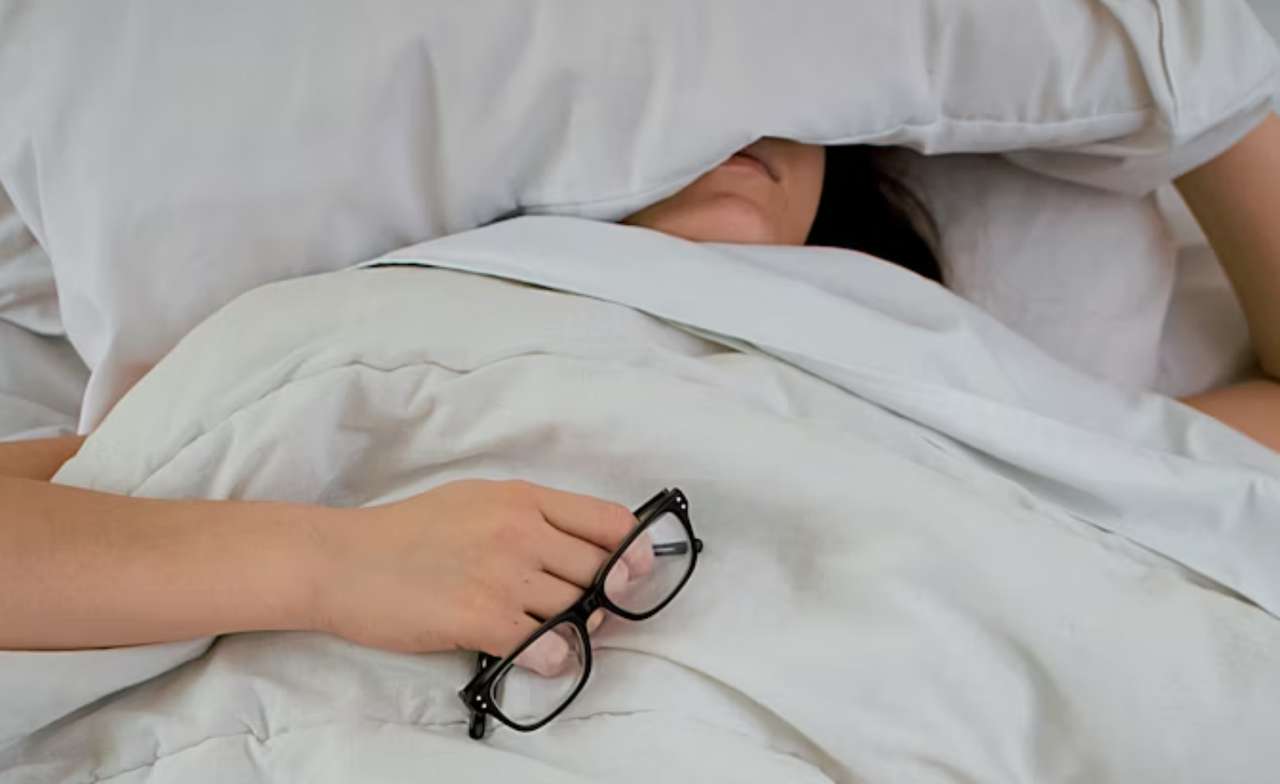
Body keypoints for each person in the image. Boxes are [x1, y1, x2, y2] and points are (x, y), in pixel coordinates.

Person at [2, 121, 1278, 669]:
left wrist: (1195, 71)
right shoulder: (379, 327)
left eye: (777, 89)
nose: (737, 124)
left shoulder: (942, 371)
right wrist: (334, 564)